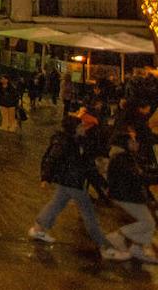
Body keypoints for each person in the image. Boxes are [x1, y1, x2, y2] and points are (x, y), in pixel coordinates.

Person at [29, 111, 130, 261]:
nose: (84, 127)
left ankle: (38, 229)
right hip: (74, 183)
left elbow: (88, 166)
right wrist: (45, 177)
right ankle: (106, 248)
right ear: (74, 128)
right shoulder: (65, 142)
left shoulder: (80, 141)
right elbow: (51, 159)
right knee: (89, 215)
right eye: (81, 125)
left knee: (55, 204)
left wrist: (103, 184)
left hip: (70, 181)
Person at [105, 128, 158, 262]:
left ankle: (139, 248)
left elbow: (141, 171)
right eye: (133, 141)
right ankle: (118, 235)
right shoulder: (121, 159)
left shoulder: (126, 156)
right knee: (148, 222)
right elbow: (138, 177)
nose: (137, 144)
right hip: (126, 196)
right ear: (125, 143)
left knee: (148, 220)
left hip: (130, 194)